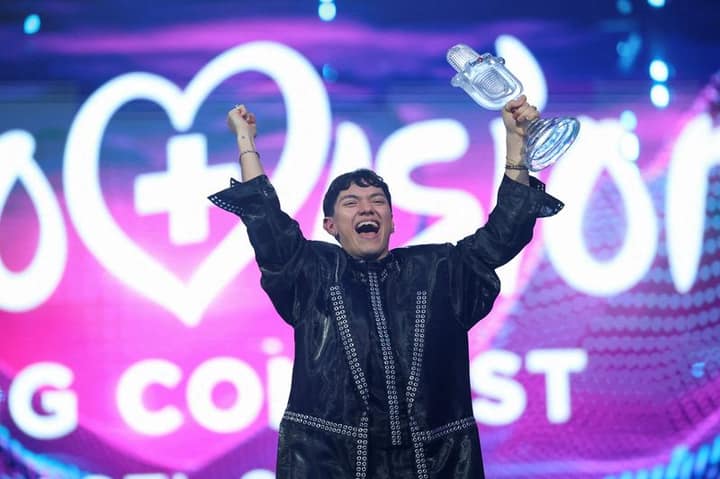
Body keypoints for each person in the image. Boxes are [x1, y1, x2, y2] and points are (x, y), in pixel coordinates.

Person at [209, 97, 563, 479]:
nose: (367, 209)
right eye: (351, 203)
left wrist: (516, 143)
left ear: (392, 221)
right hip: (332, 464)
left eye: (377, 201)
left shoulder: (438, 270)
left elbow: (503, 235)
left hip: (436, 463)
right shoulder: (313, 273)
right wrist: (245, 140)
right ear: (330, 225)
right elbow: (267, 222)